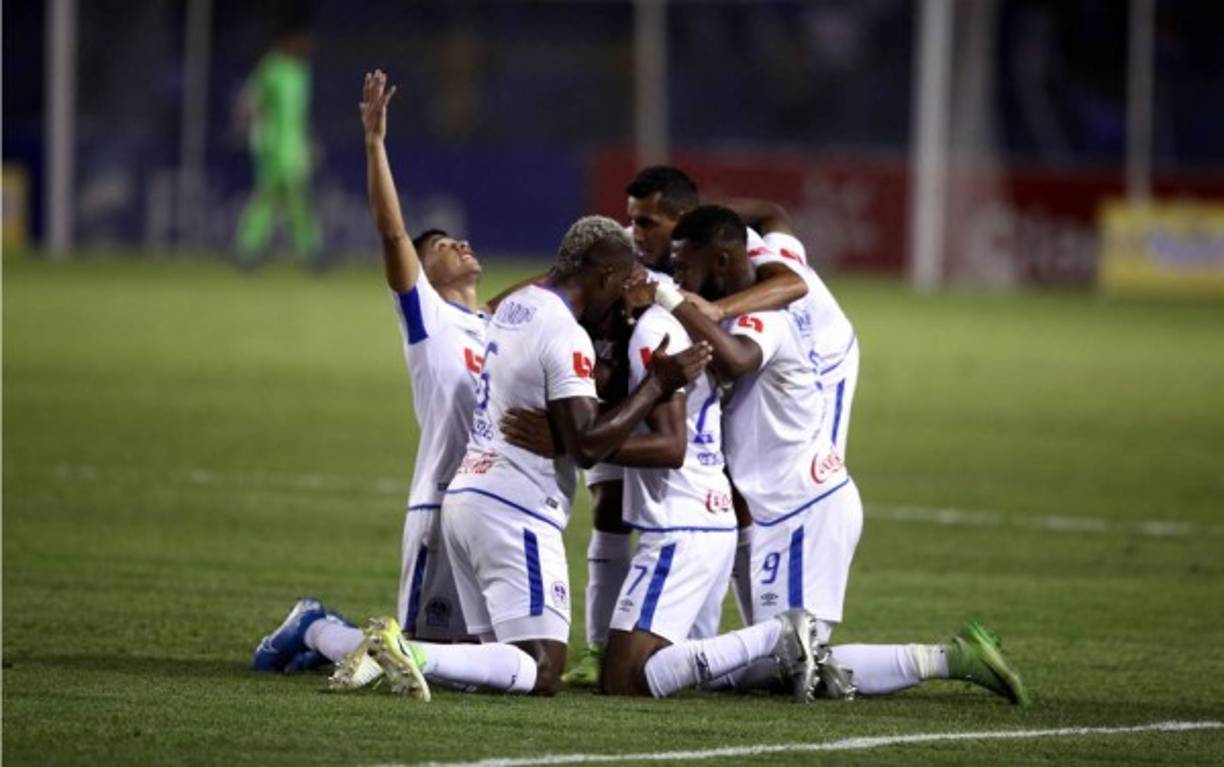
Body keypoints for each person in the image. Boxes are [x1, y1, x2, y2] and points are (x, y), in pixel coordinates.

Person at [641, 205, 1029, 703]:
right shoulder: (758, 278)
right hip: (789, 507)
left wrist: (673, 301)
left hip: (803, 511)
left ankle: (952, 658)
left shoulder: (763, 317)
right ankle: (954, 658)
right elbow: (775, 215)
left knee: (781, 658)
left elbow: (737, 360)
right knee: (786, 658)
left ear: (720, 260)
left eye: (684, 267)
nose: (676, 276)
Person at [345, 215, 713, 699]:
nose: (624, 297)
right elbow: (586, 446)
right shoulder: (566, 334)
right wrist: (656, 385)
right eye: (621, 284)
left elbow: (560, 398)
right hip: (515, 510)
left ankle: (358, 644)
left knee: (490, 665)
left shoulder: (514, 307)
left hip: (468, 498)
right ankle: (410, 651)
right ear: (602, 275)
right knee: (542, 669)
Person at [252, 71, 488, 682]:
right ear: (421, 270)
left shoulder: (500, 325)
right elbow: (389, 231)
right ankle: (317, 626)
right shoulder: (427, 316)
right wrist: (375, 141)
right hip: (438, 506)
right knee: (411, 663)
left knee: (472, 665)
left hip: (492, 509)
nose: (457, 242)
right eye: (438, 246)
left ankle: (319, 641)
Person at [565, 167, 811, 687]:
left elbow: (671, 444)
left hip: (681, 522)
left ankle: (777, 636)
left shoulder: (660, 322)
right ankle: (781, 652)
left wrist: (580, 442)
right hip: (702, 516)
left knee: (624, 680)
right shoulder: (661, 316)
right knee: (694, 671)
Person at [234, 22, 321, 268]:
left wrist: (309, 141)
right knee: (268, 196)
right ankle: (248, 249)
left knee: (295, 198)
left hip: (294, 146)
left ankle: (310, 252)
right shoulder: (270, 68)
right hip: (271, 145)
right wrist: (247, 127)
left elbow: (301, 113)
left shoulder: (301, 72)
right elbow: (250, 100)